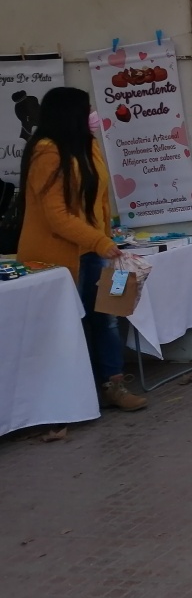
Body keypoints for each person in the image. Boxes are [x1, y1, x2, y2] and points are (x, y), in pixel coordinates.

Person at [17, 87, 146, 412]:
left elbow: (101, 199)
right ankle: (64, 397)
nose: (93, 116)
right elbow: (57, 216)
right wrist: (100, 242)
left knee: (108, 317)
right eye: (86, 109)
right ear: (70, 114)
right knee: (66, 326)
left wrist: (107, 241)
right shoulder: (46, 152)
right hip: (58, 258)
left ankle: (113, 385)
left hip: (97, 252)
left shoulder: (88, 145)